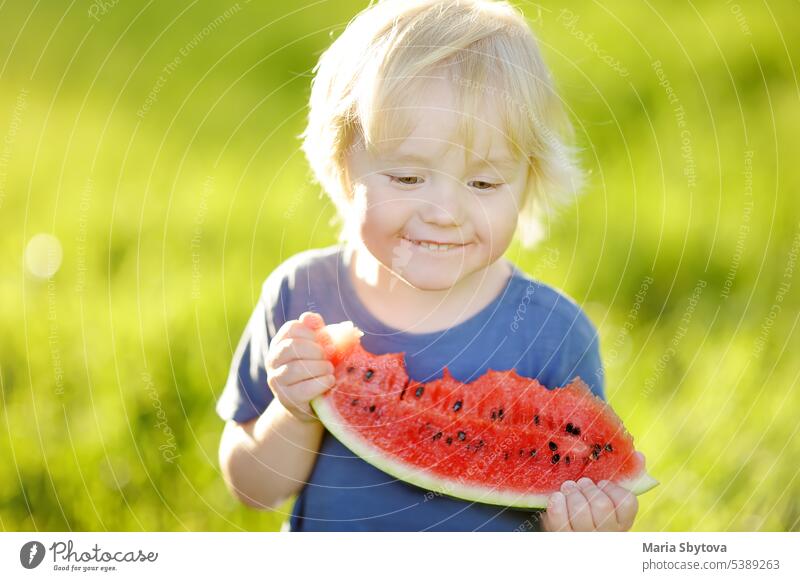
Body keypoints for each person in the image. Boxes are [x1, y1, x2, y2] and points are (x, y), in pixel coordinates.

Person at [216, 0, 643, 531]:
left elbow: (580, 481)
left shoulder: (554, 333)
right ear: (344, 170)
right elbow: (251, 488)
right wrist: (294, 411)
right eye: (407, 179)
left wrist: (585, 527)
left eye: (484, 183)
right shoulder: (300, 296)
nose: (444, 214)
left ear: (529, 182)